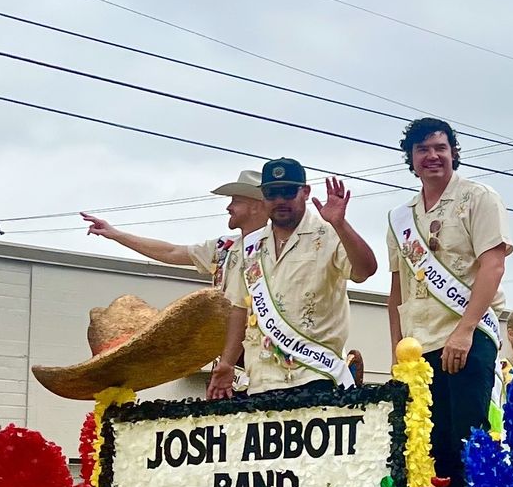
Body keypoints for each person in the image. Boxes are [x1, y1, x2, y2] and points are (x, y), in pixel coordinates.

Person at [386, 118, 511, 487]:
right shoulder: (401, 217)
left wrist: (464, 329)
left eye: (440, 147)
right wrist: (398, 354)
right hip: (420, 353)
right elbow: (396, 288)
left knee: (469, 449)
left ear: (454, 152)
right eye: (423, 150)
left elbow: (492, 265)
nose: (432, 156)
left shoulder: (479, 198)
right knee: (435, 457)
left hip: (467, 337)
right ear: (411, 159)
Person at [210, 159, 377, 399]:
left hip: (315, 376)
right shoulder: (250, 247)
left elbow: (365, 271)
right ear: (263, 197)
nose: (280, 201)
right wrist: (226, 363)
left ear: (305, 192)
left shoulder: (329, 233)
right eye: (272, 193)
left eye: (288, 192)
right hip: (260, 380)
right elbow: (239, 309)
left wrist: (341, 224)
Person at [82, 170, 267, 291]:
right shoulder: (224, 248)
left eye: (237, 201)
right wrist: (116, 235)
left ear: (256, 207)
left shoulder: (278, 246)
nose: (229, 207)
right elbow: (171, 252)